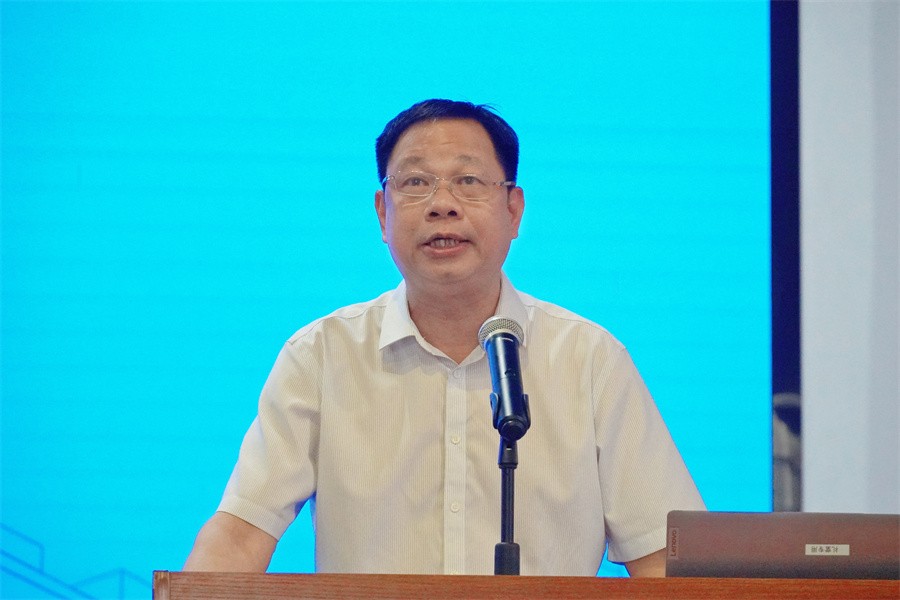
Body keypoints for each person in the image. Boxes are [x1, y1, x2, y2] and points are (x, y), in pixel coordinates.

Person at [184, 99, 705, 576]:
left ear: (514, 210)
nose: (442, 205)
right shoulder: (320, 356)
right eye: (415, 183)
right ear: (382, 213)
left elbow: (665, 561)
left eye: (469, 181)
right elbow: (240, 534)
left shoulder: (589, 359)